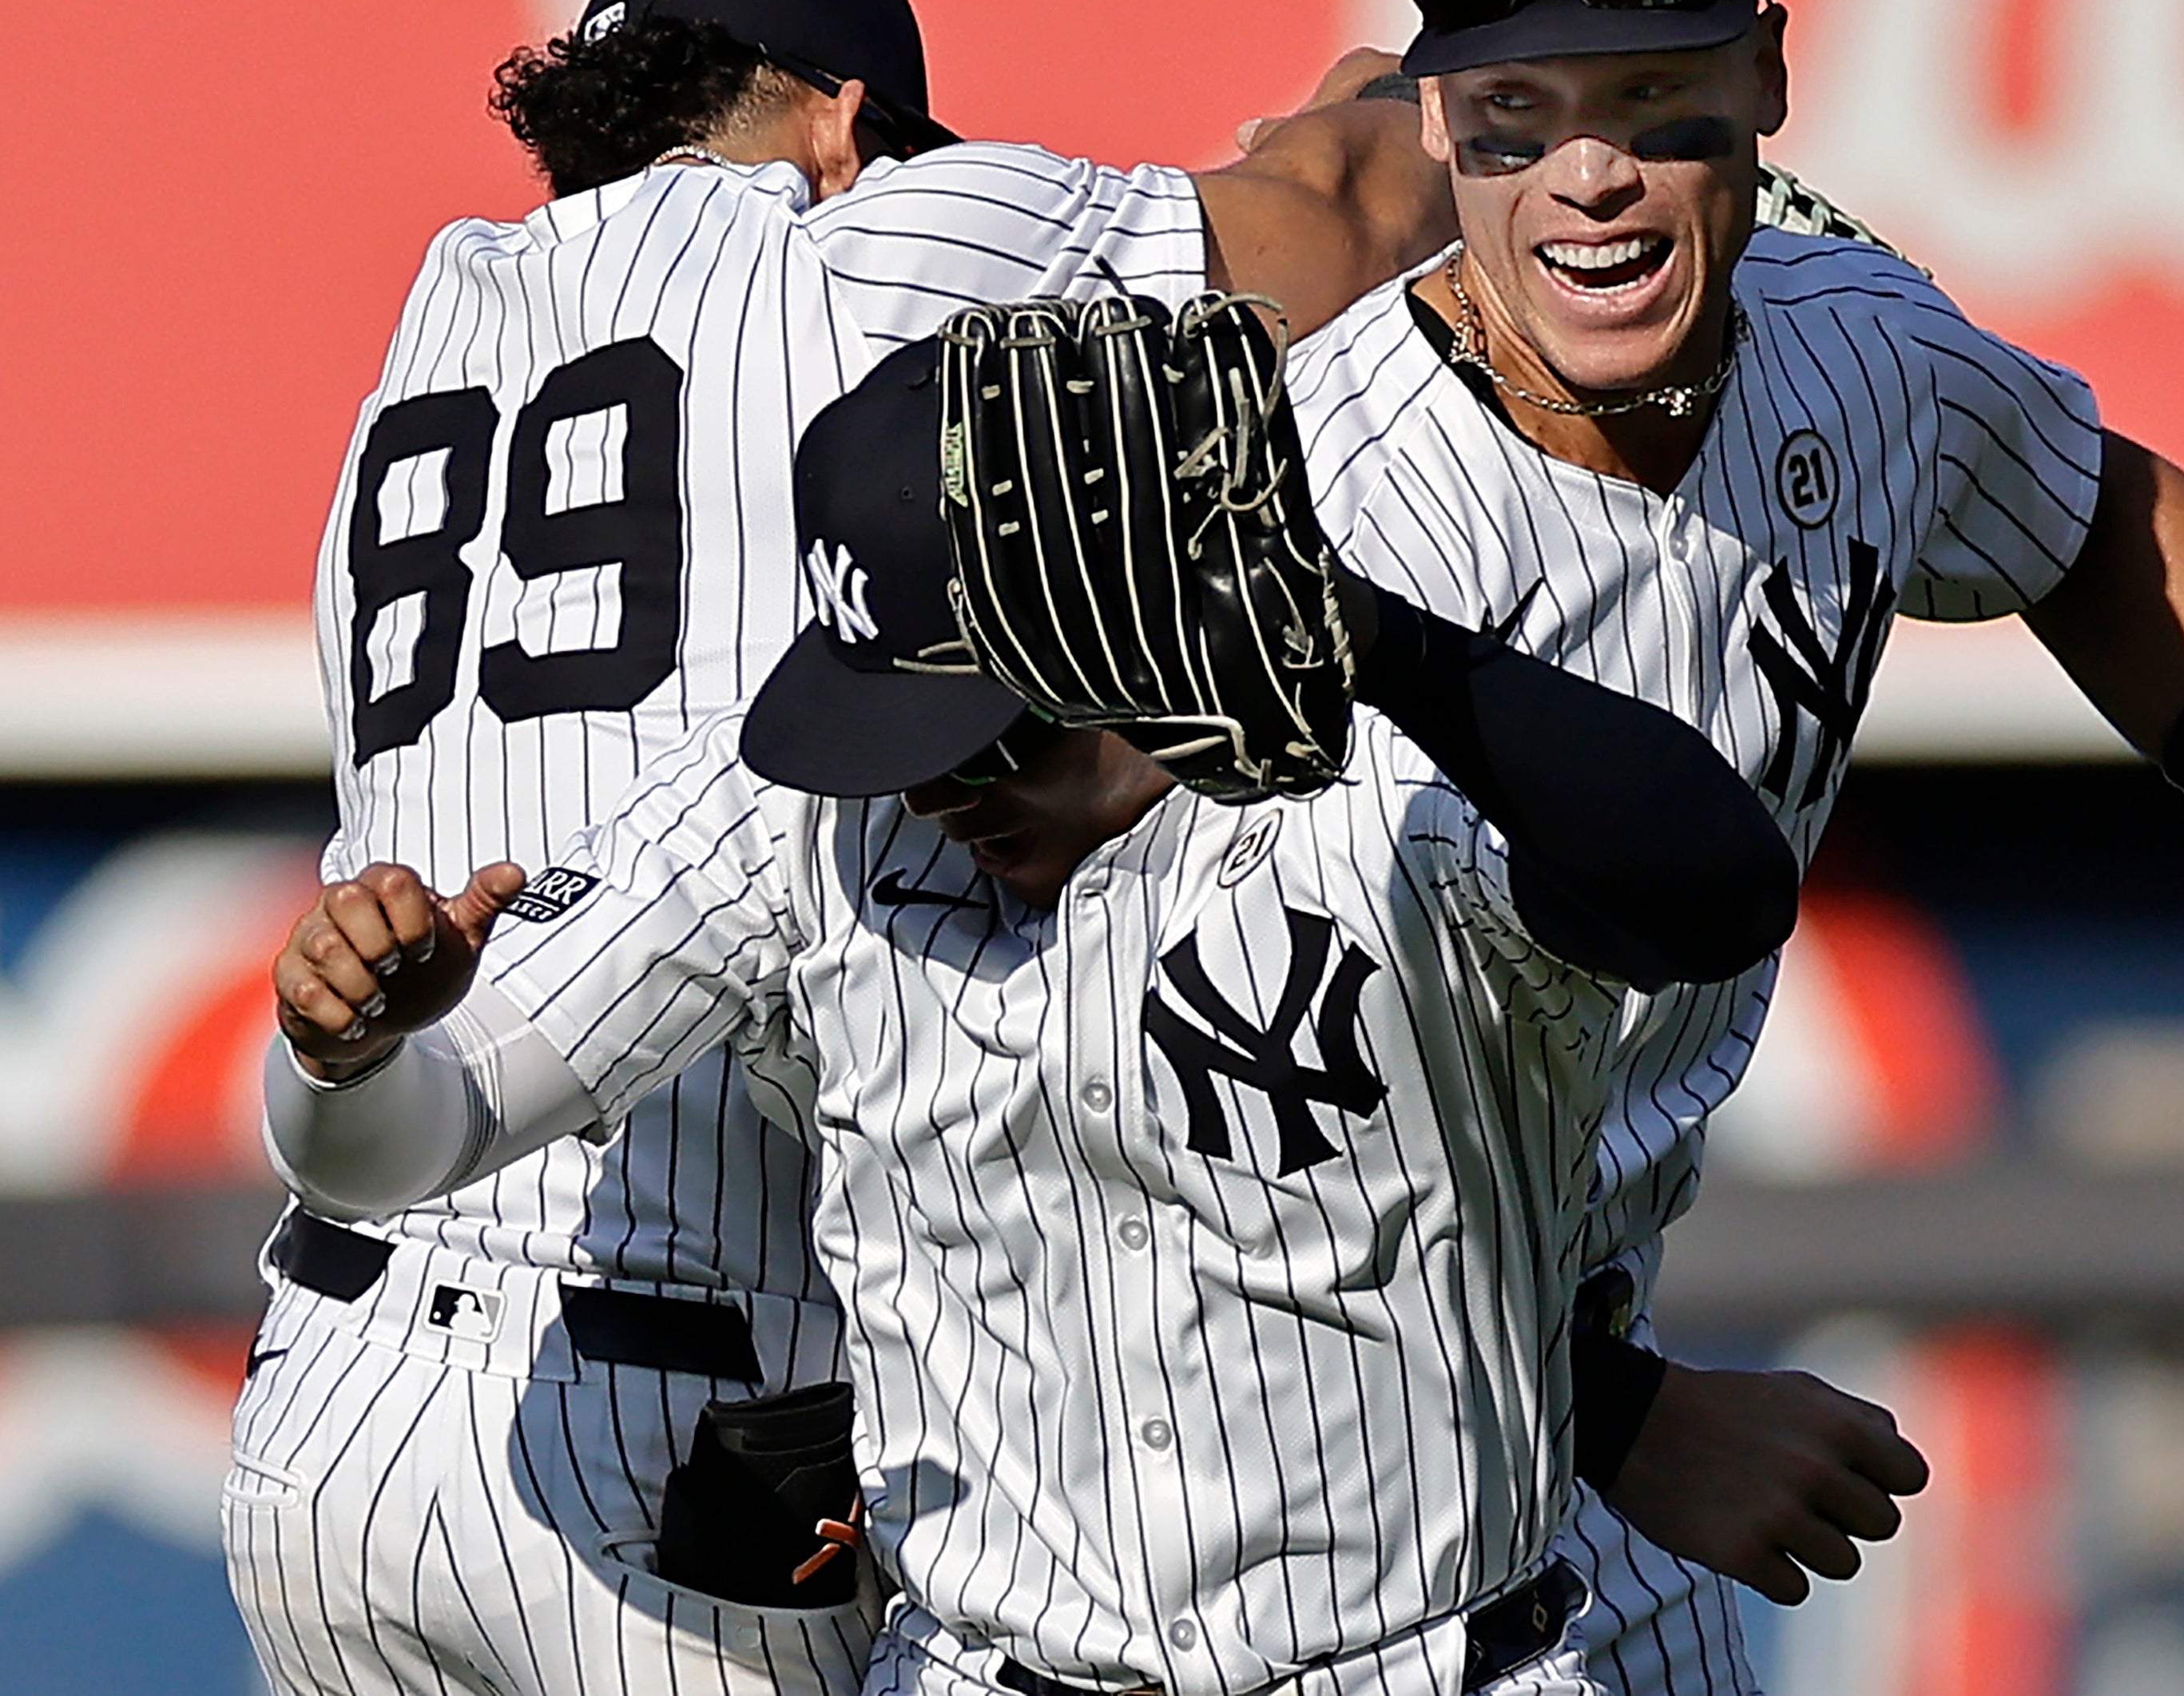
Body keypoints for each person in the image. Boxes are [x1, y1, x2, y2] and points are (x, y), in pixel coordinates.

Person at [1277, 0, 2184, 1692]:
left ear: (1770, 75)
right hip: (1242, 1494)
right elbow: (1202, 1162)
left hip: (1562, 1427)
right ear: (1444, 129)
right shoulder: (1333, 514)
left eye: (1648, 97)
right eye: (1521, 118)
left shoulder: (1842, 342)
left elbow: (2098, 518)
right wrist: (1622, 1415)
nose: (1590, 178)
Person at [230, 0, 1452, 1696]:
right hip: (673, 1440)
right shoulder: (873, 237)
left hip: (331, 1397)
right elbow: (1347, 216)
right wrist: (1392, 82)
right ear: (837, 117)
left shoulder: (433, 319)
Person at [264, 345, 1802, 1696]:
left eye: (981, 731)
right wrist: (348, 1051)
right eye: (897, 735)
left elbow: (1719, 896)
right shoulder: (806, 828)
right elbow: (414, 1141)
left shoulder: (1387, 805)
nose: (935, 788)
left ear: (1136, 622)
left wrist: (1379, 641)